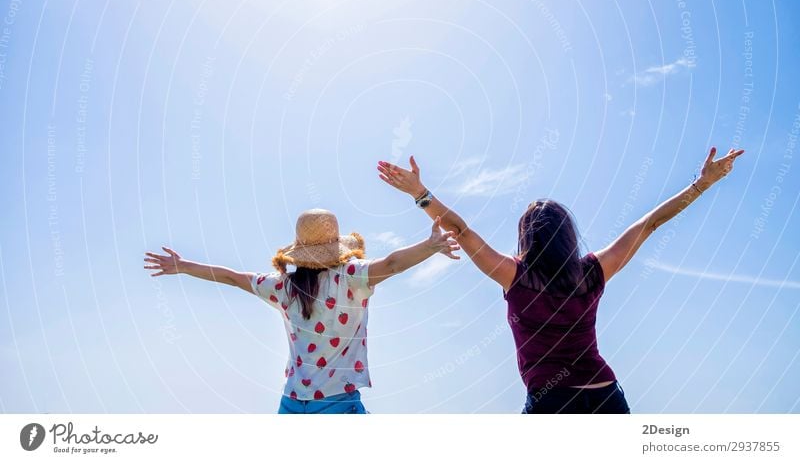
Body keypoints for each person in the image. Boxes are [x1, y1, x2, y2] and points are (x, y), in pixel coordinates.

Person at [377, 146, 745, 413]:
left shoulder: (514, 276)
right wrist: (702, 184)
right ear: (569, 236)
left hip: (552, 403)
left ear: (525, 238)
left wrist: (419, 194)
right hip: (605, 396)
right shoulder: (592, 272)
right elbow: (649, 223)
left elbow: (461, 229)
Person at [144, 208, 460, 414]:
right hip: (336, 403)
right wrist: (429, 246)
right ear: (338, 245)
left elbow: (231, 276)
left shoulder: (283, 287)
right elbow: (391, 264)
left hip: (293, 403)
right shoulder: (351, 278)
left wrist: (183, 266)